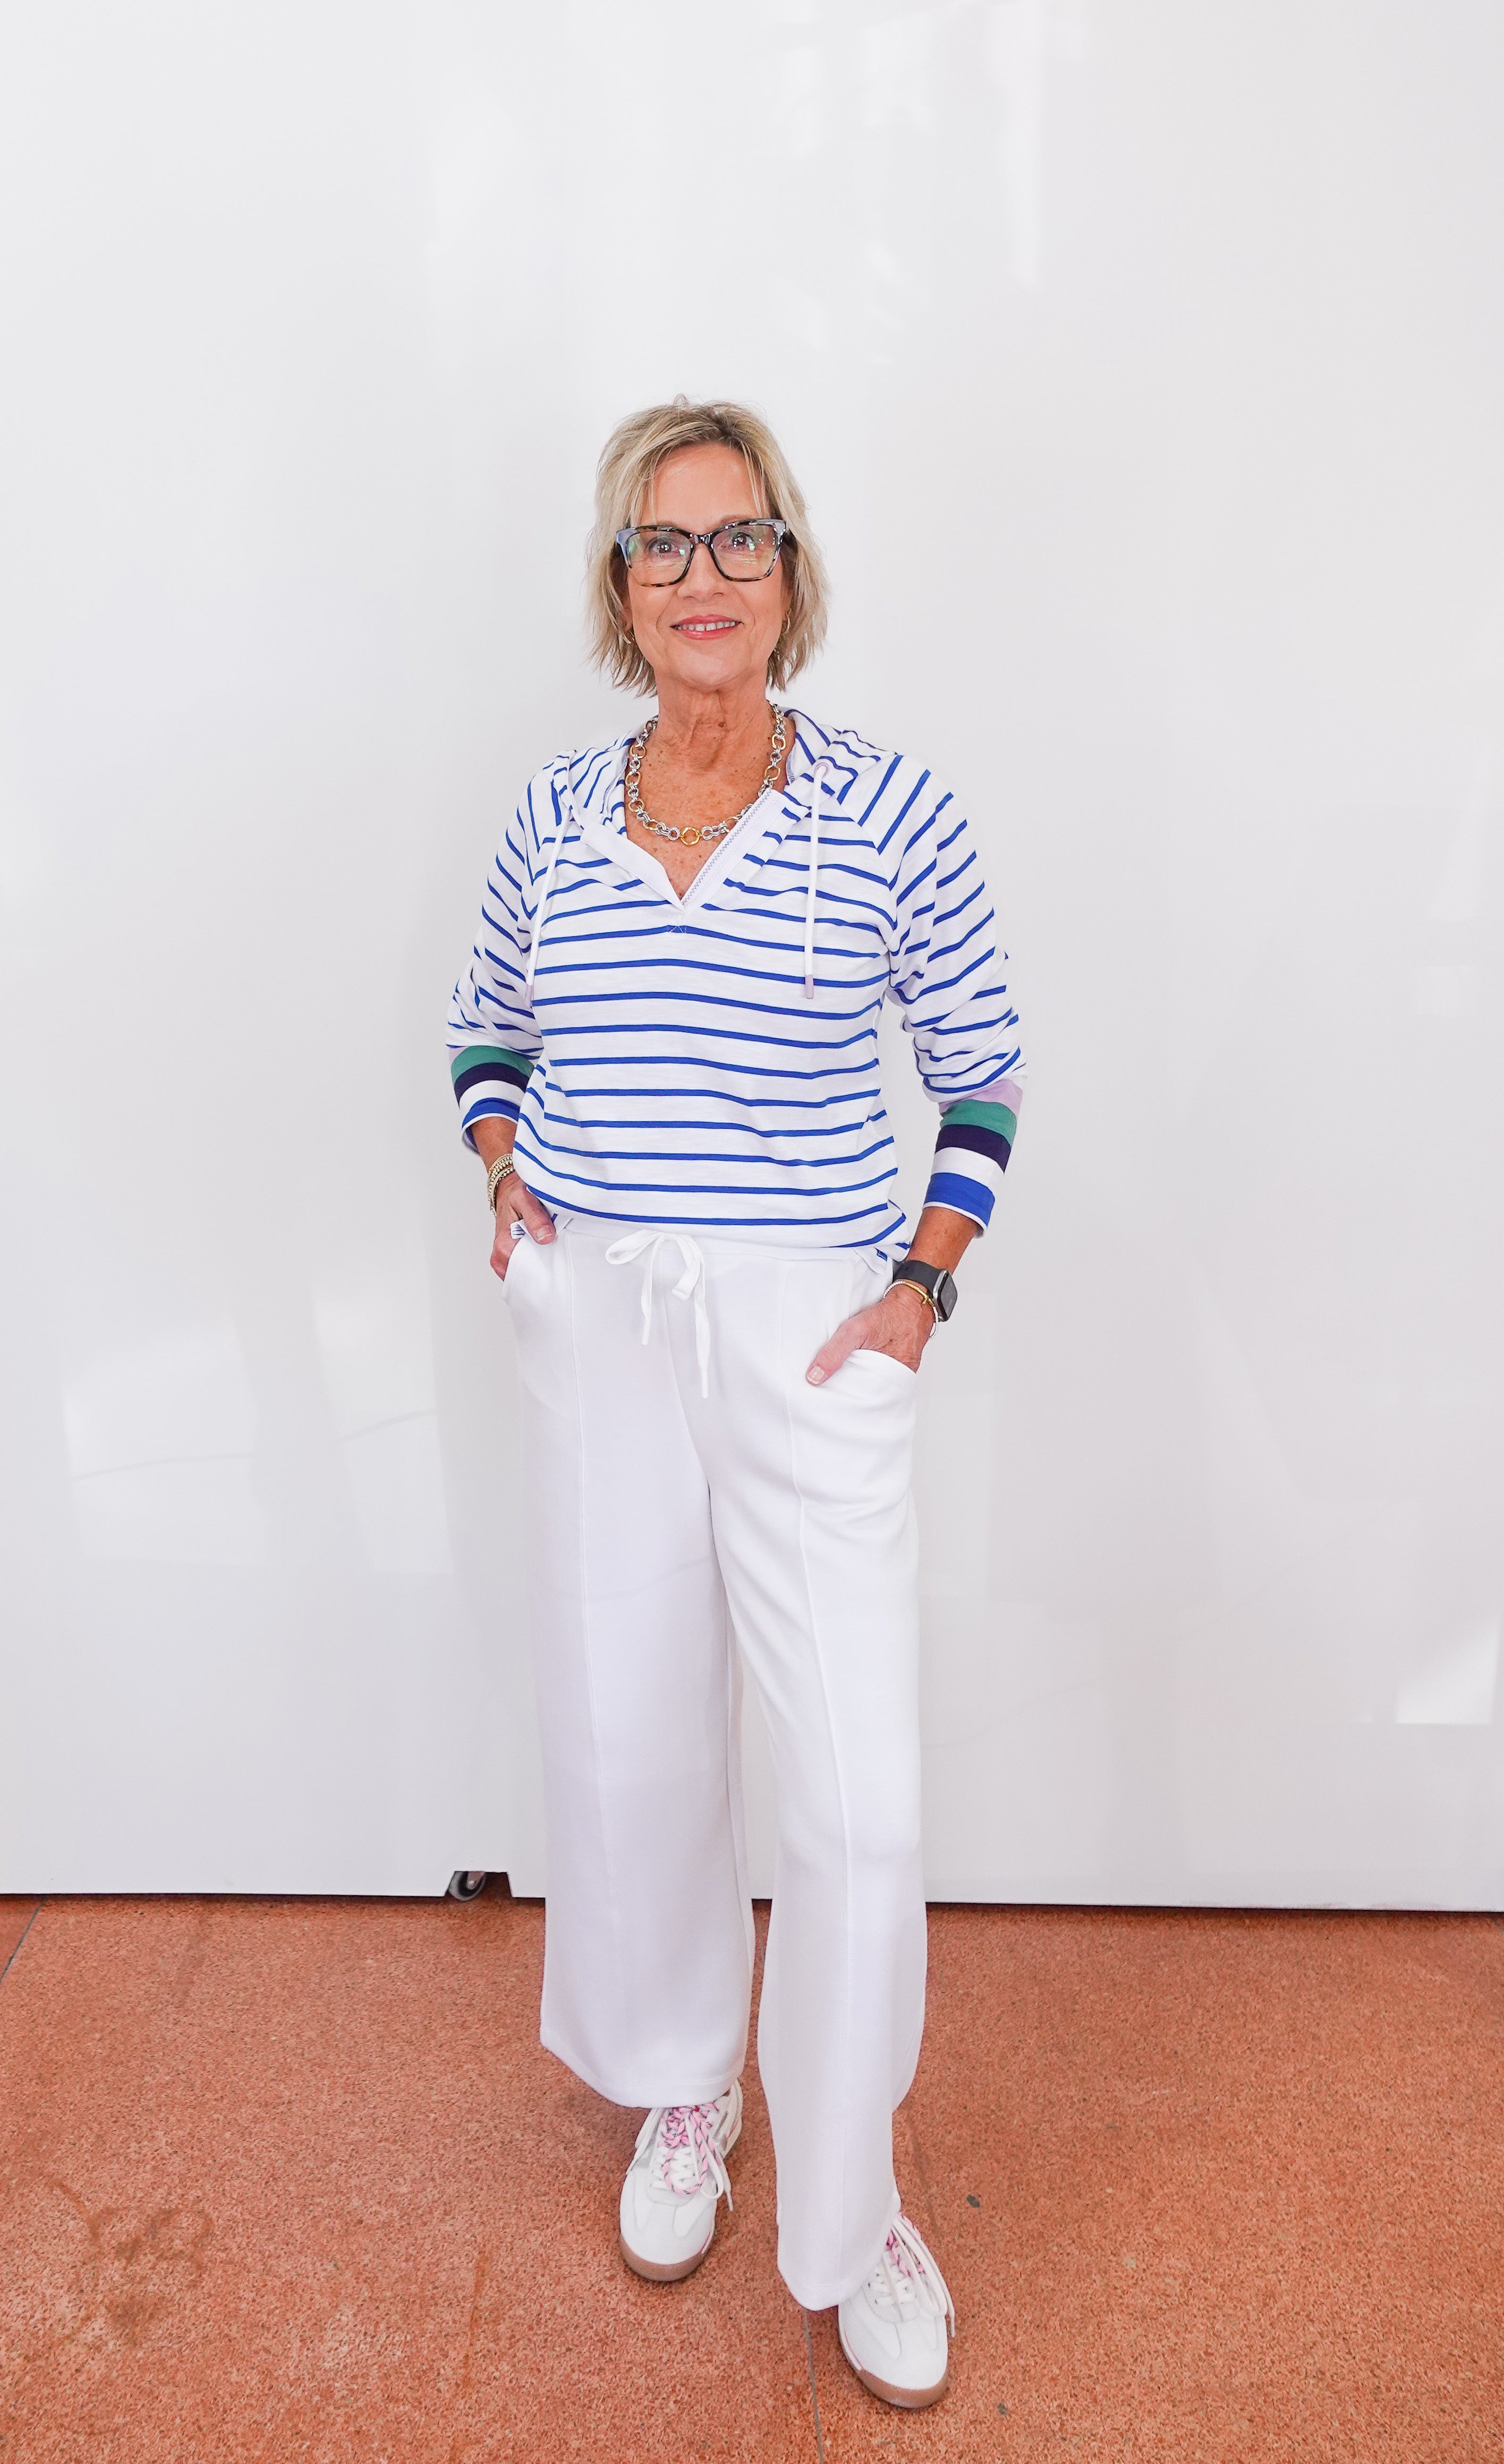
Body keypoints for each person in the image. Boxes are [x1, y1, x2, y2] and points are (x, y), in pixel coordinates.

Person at [444, 397, 1024, 2410]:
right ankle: (683, 2090)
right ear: (621, 589)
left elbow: (986, 1063)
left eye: (740, 538)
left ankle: (856, 2204)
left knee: (859, 1807)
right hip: (601, 1311)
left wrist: (923, 1283)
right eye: (663, 545)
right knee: (629, 1741)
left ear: (792, 570)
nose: (704, 577)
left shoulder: (889, 808)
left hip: (813, 1329)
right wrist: (508, 1175)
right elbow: (485, 1019)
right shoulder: (550, 817)